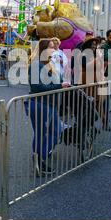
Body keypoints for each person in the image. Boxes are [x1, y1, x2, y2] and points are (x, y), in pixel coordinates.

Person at [26, 39, 70, 175]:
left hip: (50, 105)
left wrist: (63, 83)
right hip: (40, 104)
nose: (54, 50)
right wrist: (59, 86)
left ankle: (40, 159)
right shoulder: (35, 65)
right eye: (51, 47)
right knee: (40, 134)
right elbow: (37, 87)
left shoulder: (49, 64)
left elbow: (55, 81)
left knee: (56, 131)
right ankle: (40, 162)